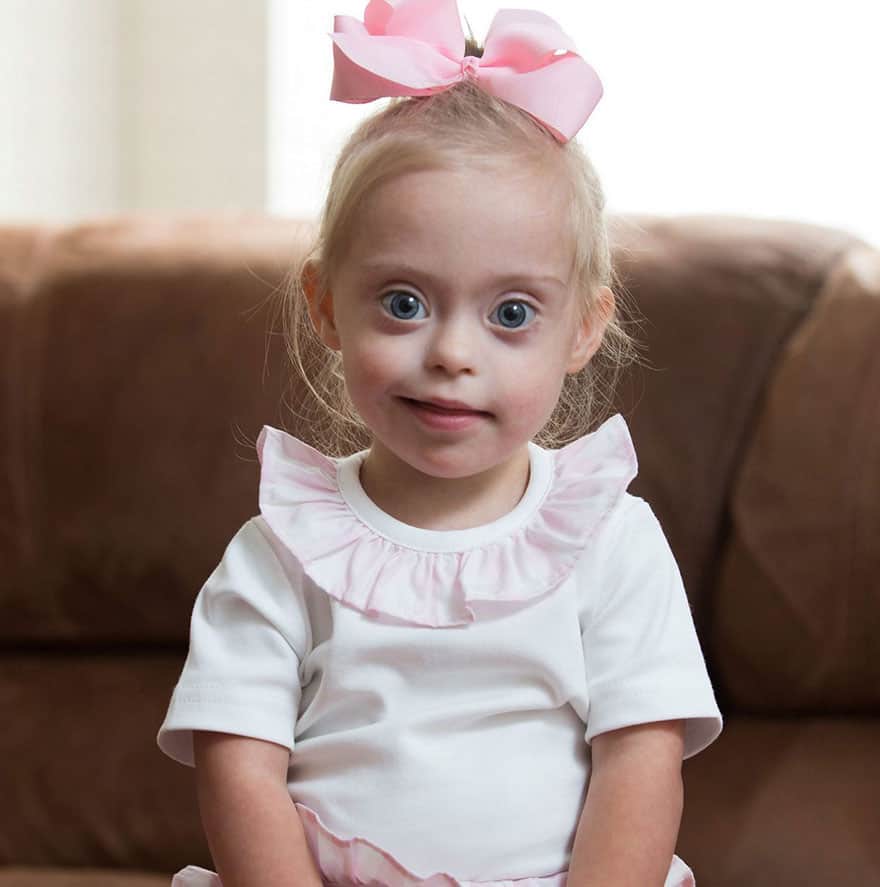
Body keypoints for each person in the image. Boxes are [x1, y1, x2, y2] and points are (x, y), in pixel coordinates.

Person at [157, 2, 723, 886]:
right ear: (325, 305)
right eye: (404, 302)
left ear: (582, 329)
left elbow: (641, 758)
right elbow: (241, 763)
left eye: (510, 314)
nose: (453, 354)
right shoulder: (280, 549)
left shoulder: (612, 539)